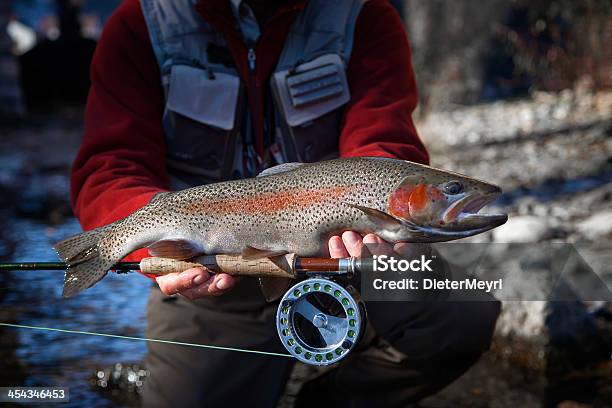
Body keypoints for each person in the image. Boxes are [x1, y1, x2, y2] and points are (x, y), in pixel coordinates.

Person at [71, 0, 500, 406]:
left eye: (452, 192)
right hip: (216, 288)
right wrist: (159, 247)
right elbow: (109, 168)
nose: (458, 197)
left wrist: (380, 215)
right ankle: (144, 378)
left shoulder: (362, 13)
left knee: (462, 316)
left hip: (348, 271)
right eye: (454, 191)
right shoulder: (141, 23)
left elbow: (382, 140)